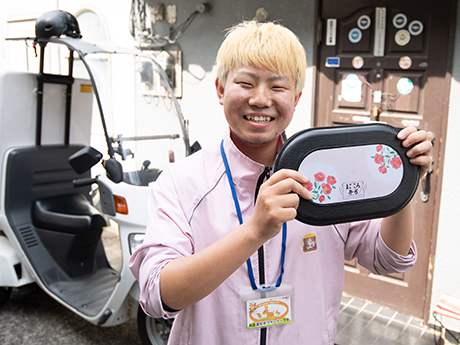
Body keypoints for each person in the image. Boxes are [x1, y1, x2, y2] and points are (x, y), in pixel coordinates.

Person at [129, 20, 432, 344]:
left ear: (297, 97)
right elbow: (157, 294)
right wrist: (253, 232)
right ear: (220, 89)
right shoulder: (182, 181)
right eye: (246, 83)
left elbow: (389, 259)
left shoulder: (330, 173)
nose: (261, 99)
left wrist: (404, 183)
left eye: (277, 86)